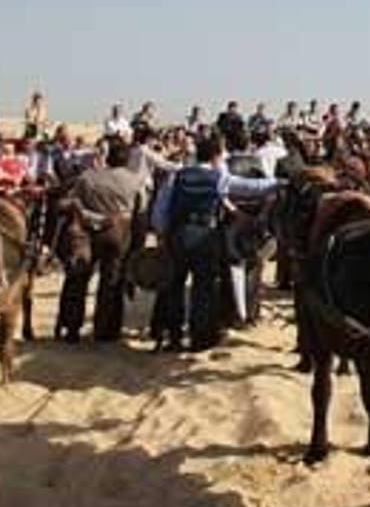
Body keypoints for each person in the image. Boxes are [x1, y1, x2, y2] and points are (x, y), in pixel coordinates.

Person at [151, 133, 278, 352]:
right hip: (205, 237)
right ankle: (199, 338)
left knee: (173, 286)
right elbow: (253, 187)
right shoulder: (219, 178)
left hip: (178, 236)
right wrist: (280, 183)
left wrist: (162, 234)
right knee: (203, 288)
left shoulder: (177, 175)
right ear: (217, 157)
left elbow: (160, 211)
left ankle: (172, 336)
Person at [58, 139, 144, 342]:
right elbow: (140, 216)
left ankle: (71, 327)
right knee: (112, 282)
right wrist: (137, 247)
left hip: (86, 232)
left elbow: (69, 202)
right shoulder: (134, 181)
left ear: (108, 157)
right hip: (118, 233)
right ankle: (105, 330)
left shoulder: (88, 178)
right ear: (127, 160)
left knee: (77, 279)